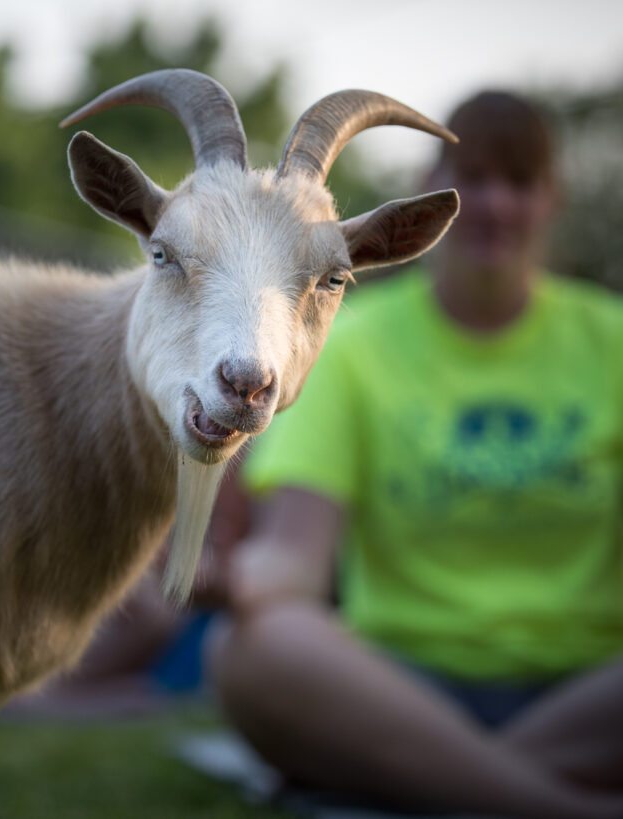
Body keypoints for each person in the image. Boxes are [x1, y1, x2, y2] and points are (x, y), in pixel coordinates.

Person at [206, 90, 623, 819]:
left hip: (590, 687)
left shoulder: (611, 339)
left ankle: (428, 782)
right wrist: (216, 574)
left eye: (518, 181)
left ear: (550, 198)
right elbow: (295, 557)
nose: (492, 203)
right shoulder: (353, 341)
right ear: (426, 198)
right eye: (472, 179)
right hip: (396, 685)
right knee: (250, 648)